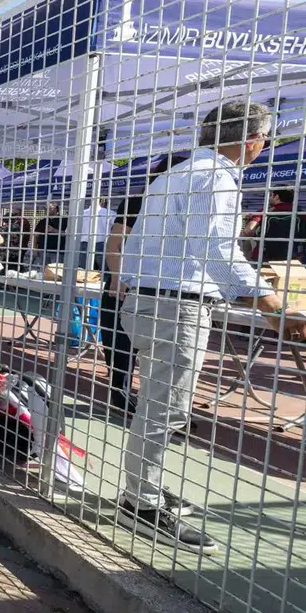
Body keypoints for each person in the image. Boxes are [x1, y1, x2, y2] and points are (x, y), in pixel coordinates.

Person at [118, 101, 305, 554]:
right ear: (252, 141)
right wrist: (270, 303)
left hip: (148, 300)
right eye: (264, 140)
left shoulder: (173, 175)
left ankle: (143, 489)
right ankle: (140, 502)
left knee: (158, 405)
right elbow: (218, 250)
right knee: (166, 409)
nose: (263, 147)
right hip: (176, 306)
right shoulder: (216, 178)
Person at [99, 153, 187, 417]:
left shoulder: (187, 204)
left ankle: (156, 405)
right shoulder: (140, 201)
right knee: (121, 345)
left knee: (161, 351)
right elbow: (115, 243)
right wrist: (118, 277)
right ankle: (123, 395)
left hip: (164, 287)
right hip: (131, 284)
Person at [76, 201, 114, 271]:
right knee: (105, 271)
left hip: (84, 244)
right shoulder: (109, 213)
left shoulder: (81, 213)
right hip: (102, 244)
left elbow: (70, 230)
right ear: (102, 202)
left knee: (85, 271)